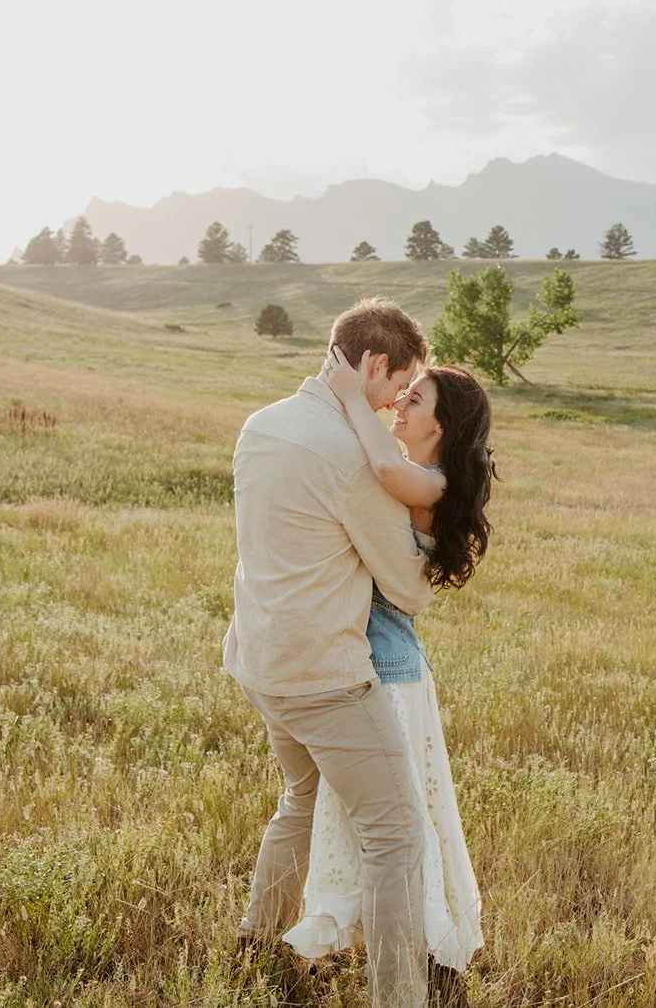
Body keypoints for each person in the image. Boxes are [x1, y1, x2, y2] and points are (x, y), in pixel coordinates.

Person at [224, 299, 435, 1008]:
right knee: (398, 834)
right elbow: (406, 585)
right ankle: (398, 997)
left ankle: (255, 937)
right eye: (394, 387)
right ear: (373, 363)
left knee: (301, 795)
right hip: (324, 677)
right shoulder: (349, 455)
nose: (392, 405)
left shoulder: (260, 425)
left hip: (259, 660)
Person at [283, 349, 496, 1001]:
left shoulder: (429, 483)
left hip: (391, 675)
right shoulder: (418, 471)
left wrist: (351, 392)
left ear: (443, 426)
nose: (399, 406)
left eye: (415, 401)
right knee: (378, 817)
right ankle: (375, 939)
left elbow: (376, 462)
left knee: (399, 823)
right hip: (374, 663)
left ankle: (425, 953)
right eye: (402, 396)